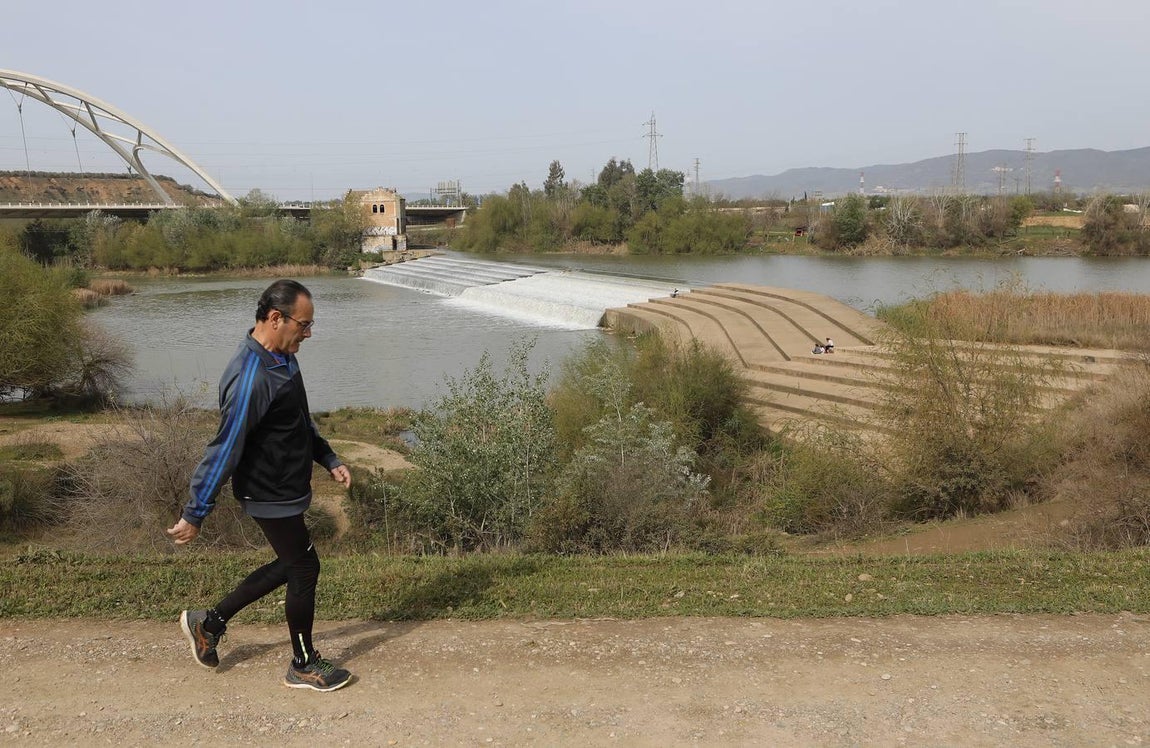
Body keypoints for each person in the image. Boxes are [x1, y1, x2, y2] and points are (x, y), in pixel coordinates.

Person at [167, 279, 354, 692]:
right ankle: (303, 664)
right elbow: (225, 447)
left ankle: (208, 623)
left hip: (285, 484)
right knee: (305, 567)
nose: (308, 333)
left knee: (291, 563)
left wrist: (326, 457)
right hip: (268, 490)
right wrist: (196, 511)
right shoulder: (252, 376)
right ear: (275, 318)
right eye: (303, 325)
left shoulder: (282, 357)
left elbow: (298, 420)